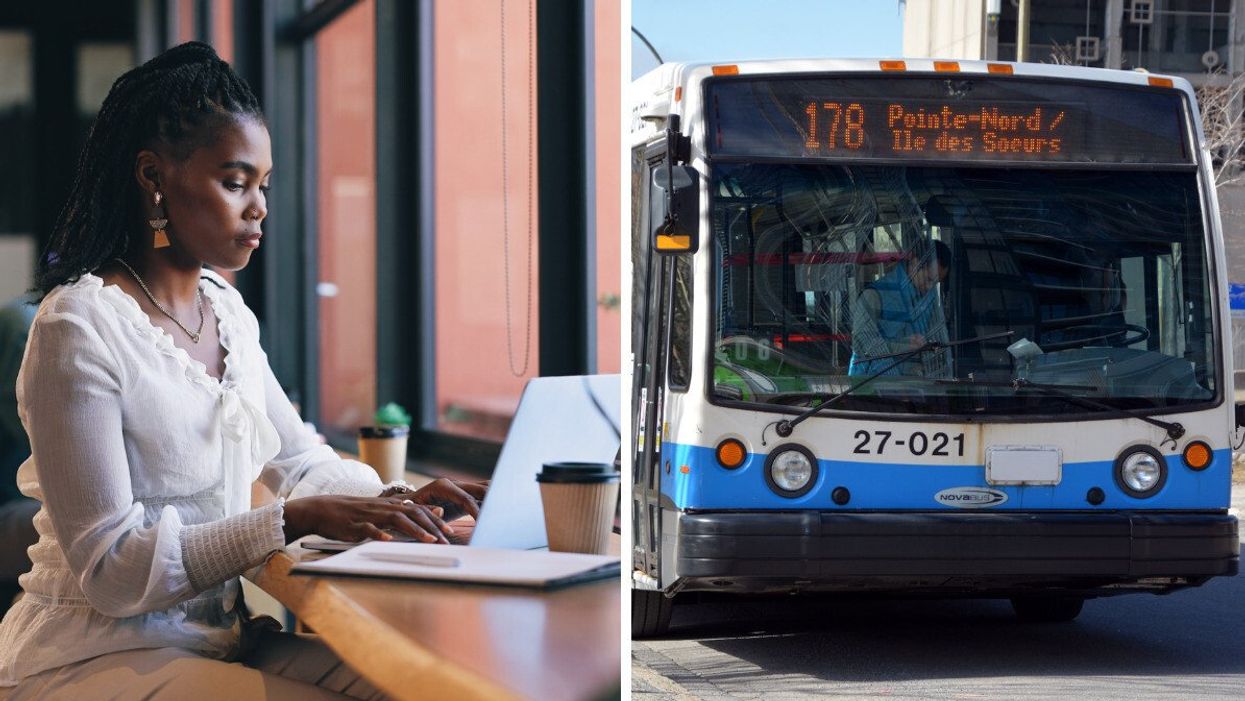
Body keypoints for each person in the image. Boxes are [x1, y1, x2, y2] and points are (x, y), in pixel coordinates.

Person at [0, 42, 485, 700]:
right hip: (91, 655)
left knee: (409, 689)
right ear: (154, 177)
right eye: (233, 183)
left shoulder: (226, 309)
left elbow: (301, 458)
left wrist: (397, 501)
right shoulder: (77, 328)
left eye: (262, 185)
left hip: (217, 635)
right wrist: (291, 519)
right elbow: (112, 569)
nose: (257, 207)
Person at [848, 238, 952, 377]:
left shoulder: (929, 300)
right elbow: (862, 345)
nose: (929, 288)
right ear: (915, 263)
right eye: (928, 279)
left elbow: (933, 345)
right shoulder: (874, 295)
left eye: (935, 283)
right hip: (869, 389)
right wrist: (904, 346)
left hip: (912, 388)